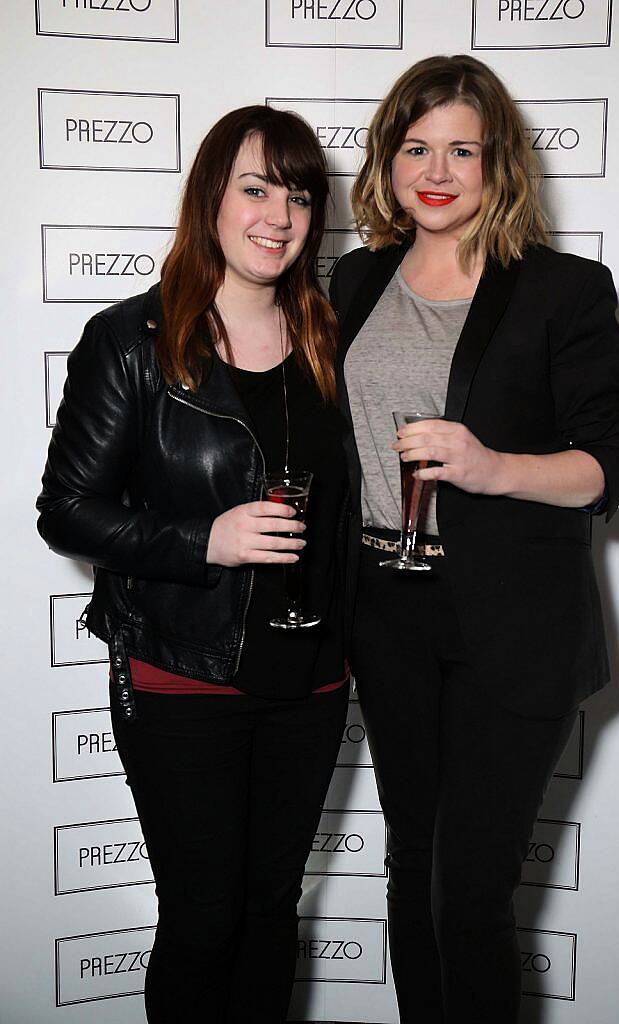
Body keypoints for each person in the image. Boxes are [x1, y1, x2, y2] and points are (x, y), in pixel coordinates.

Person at [329, 55, 619, 1023]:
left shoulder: (562, 288)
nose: (436, 169)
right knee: (409, 859)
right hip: (384, 611)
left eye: (461, 148)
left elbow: (609, 467)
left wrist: (489, 465)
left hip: (513, 626)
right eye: (414, 147)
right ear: (385, 161)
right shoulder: (354, 276)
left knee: (466, 888)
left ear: (497, 162)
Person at [37, 106, 350, 1024]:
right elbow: (67, 512)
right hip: (184, 676)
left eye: (298, 195)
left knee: (270, 911)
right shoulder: (131, 341)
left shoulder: (330, 340)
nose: (278, 215)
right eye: (255, 188)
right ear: (211, 196)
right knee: (205, 917)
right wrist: (201, 541)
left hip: (313, 680)